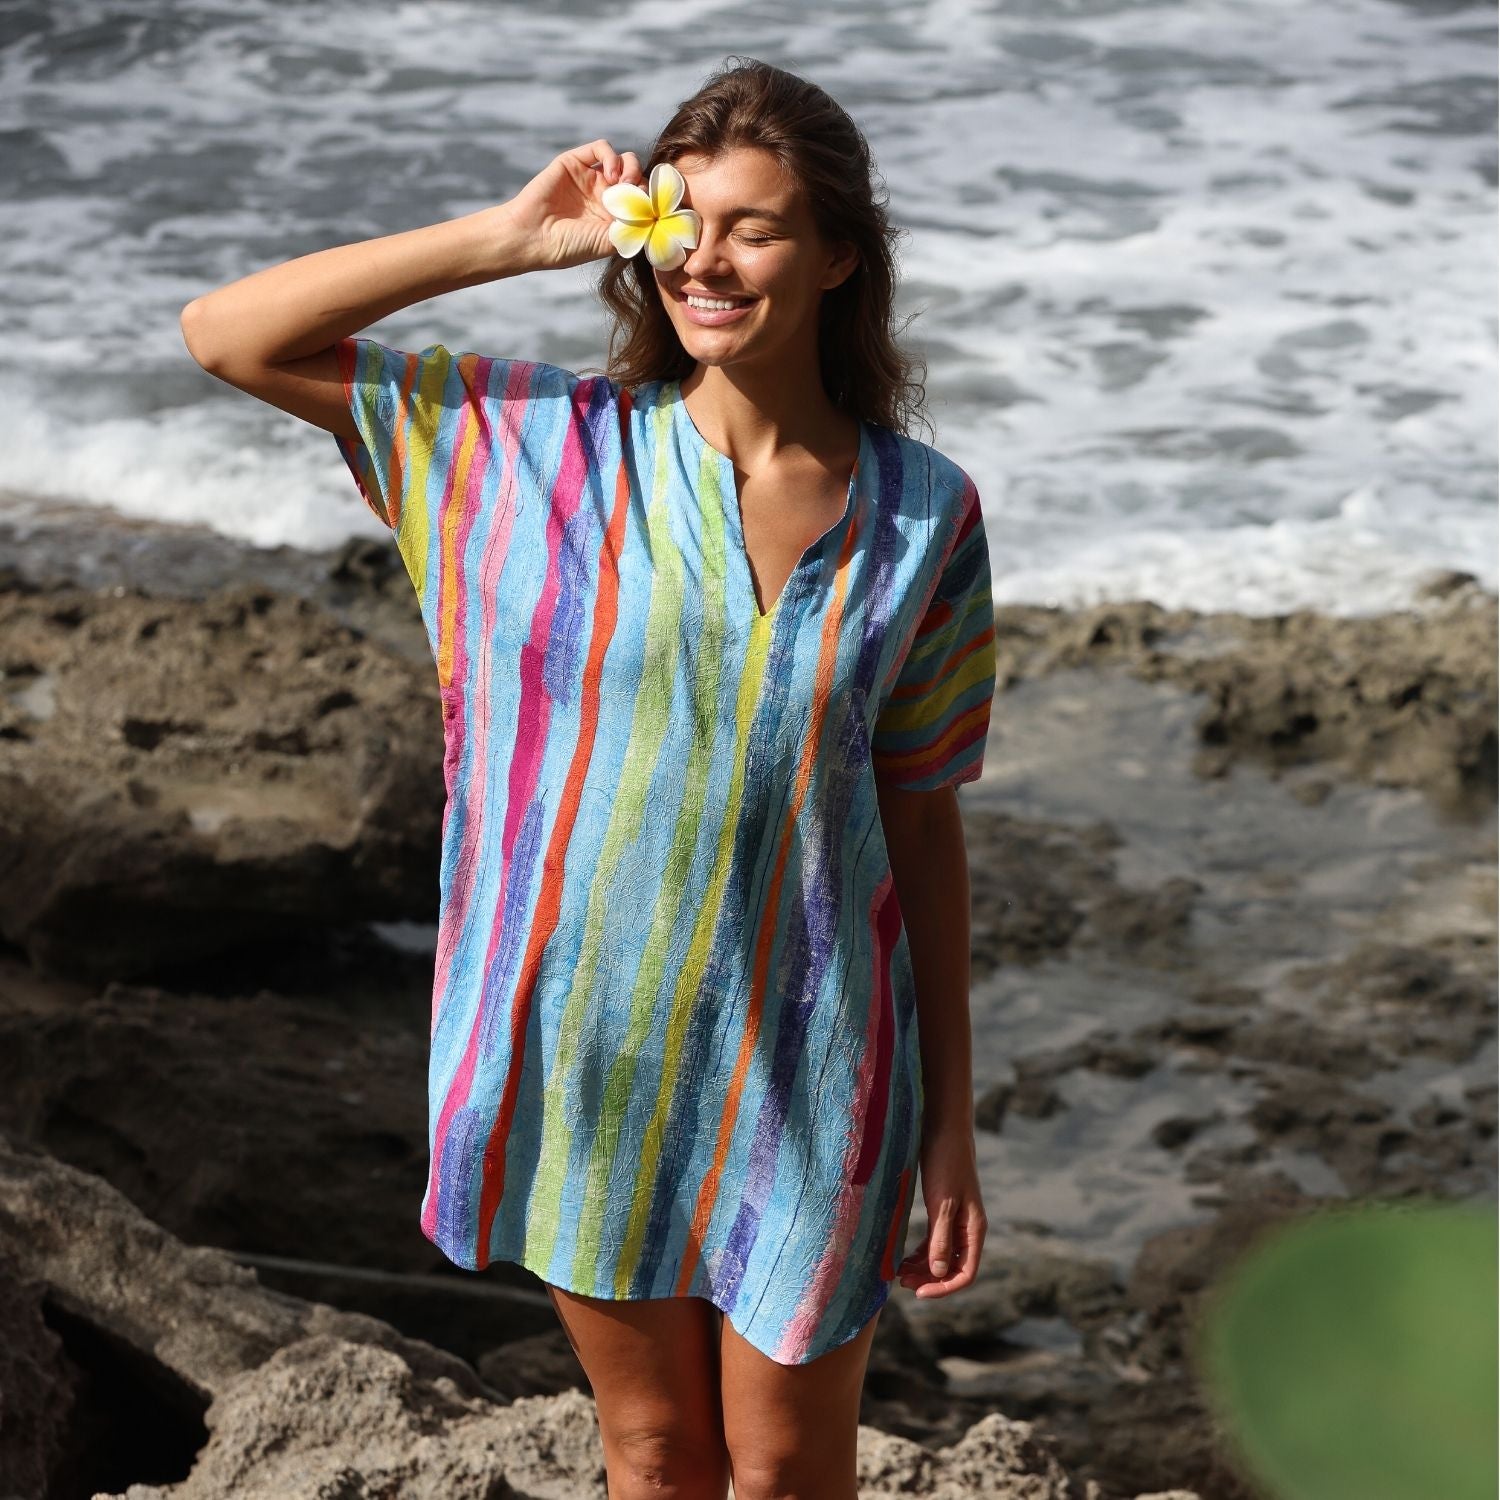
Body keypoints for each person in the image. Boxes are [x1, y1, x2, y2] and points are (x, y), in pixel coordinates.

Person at [182, 55, 996, 1500]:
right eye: (680, 219)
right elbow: (227, 333)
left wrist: (950, 1123)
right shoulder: (525, 450)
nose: (708, 254)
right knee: (654, 1450)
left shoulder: (926, 513)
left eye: (755, 225)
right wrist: (515, 237)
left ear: (838, 256)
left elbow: (921, 823)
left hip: (816, 1061)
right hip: (591, 1052)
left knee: (791, 1471)